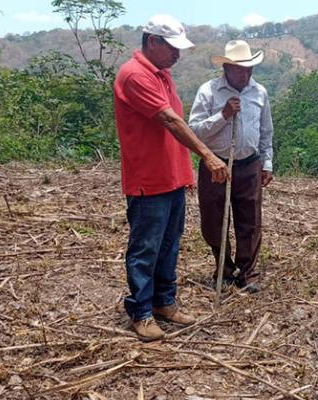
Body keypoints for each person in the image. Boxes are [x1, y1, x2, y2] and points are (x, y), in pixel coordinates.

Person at [113, 14, 228, 341]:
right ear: (153, 42)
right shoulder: (136, 75)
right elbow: (170, 120)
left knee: (168, 245)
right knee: (146, 247)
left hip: (171, 177)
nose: (177, 54)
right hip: (148, 179)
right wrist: (206, 154)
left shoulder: (161, 74)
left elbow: (174, 120)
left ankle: (164, 302)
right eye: (172, 47)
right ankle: (141, 310)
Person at [189, 40, 274, 293]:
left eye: (248, 68)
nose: (244, 73)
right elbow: (194, 131)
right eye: (238, 68)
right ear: (226, 67)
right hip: (216, 163)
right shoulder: (209, 91)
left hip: (249, 163)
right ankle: (224, 268)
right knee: (214, 220)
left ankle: (247, 272)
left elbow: (266, 131)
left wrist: (267, 162)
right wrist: (223, 115)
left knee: (251, 220)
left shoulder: (259, 92)